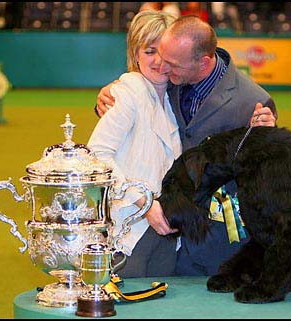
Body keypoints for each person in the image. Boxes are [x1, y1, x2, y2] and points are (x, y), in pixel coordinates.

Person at [95, 15, 278, 276]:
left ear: (201, 61)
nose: (162, 64)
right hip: (158, 233)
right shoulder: (166, 81)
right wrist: (111, 94)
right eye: (153, 53)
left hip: (219, 243)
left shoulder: (254, 100)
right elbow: (116, 130)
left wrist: (268, 138)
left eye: (170, 60)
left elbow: (266, 169)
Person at [87, 10, 181, 278]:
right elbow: (98, 155)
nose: (159, 61)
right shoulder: (127, 92)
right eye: (150, 51)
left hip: (166, 232)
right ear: (135, 54)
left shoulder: (174, 96)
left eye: (165, 52)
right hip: (129, 230)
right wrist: (145, 204)